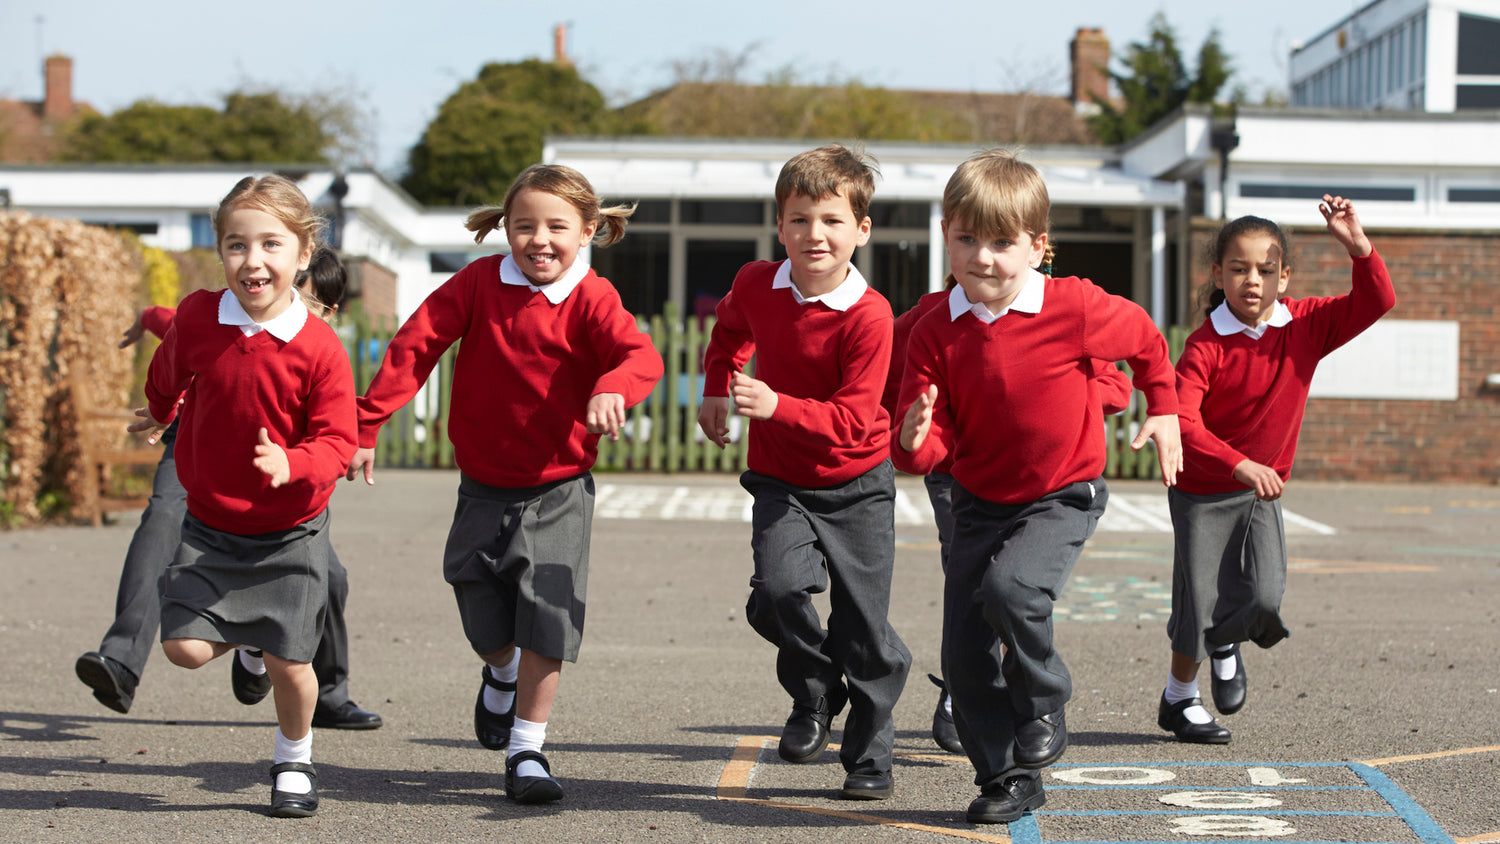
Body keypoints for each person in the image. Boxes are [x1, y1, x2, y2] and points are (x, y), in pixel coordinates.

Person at [346, 164, 663, 804]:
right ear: (506, 229)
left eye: (557, 227)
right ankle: (501, 673)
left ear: (589, 231)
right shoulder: (480, 283)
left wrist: (612, 387)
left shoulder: (592, 298)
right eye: (524, 226)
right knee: (484, 619)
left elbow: (640, 357)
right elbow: (415, 345)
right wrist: (367, 422)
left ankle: (528, 752)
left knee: (548, 614)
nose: (539, 240)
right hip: (484, 486)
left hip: (559, 488)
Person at [892, 149, 1181, 825]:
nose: (983, 258)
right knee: (963, 653)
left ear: (1037, 247)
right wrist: (912, 440)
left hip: (1062, 493)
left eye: (1001, 243)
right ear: (945, 236)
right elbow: (929, 450)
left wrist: (1164, 407)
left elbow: (1146, 342)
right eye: (968, 239)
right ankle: (1006, 778)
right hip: (979, 501)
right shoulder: (935, 329)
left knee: (1011, 590)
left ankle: (1045, 695)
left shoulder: (1074, 305)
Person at [75, 248, 383, 733]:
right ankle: (121, 659)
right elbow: (172, 323)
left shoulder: (316, 349)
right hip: (200, 446)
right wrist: (144, 321)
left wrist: (337, 448)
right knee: (162, 523)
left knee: (331, 577)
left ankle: (321, 690)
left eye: (310, 301)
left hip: (276, 466)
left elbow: (336, 429)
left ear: (329, 311)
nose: (290, 304)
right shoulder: (220, 315)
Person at [129, 174, 358, 818]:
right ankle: (250, 642)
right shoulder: (201, 314)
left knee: (291, 663)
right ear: (219, 248)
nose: (252, 261)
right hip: (210, 525)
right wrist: (158, 408)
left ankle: (293, 760)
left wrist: (296, 462)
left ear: (303, 253)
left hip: (290, 530)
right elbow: (170, 365)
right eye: (236, 245)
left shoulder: (318, 347)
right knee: (183, 648)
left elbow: (337, 439)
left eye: (270, 245)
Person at [698, 144, 910, 801]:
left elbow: (854, 418)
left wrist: (776, 404)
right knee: (779, 593)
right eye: (798, 219)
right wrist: (715, 386)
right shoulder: (758, 283)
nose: (813, 234)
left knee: (863, 628)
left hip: (858, 483)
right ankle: (815, 692)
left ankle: (870, 756)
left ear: (861, 230)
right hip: (782, 480)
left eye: (830, 220)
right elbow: (729, 331)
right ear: (779, 225)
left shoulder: (871, 318)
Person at [1157, 196, 1394, 744]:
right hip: (1203, 490)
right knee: (1197, 599)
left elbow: (1378, 298)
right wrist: (1239, 463)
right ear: (1218, 273)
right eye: (1238, 269)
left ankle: (1227, 641)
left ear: (1284, 277)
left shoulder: (1307, 325)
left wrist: (1358, 245)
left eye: (1266, 270)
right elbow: (1183, 424)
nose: (1252, 281)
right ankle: (1179, 699)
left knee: (1263, 597)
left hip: (1262, 492)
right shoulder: (1203, 346)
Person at [882, 274, 1134, 757]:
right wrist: (908, 424)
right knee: (970, 577)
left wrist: (1050, 393)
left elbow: (1117, 386)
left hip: (1034, 476)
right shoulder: (929, 319)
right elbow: (888, 379)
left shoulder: (1059, 314)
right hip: (955, 472)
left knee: (1012, 583)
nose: (990, 266)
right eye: (972, 243)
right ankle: (962, 687)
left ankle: (1028, 697)